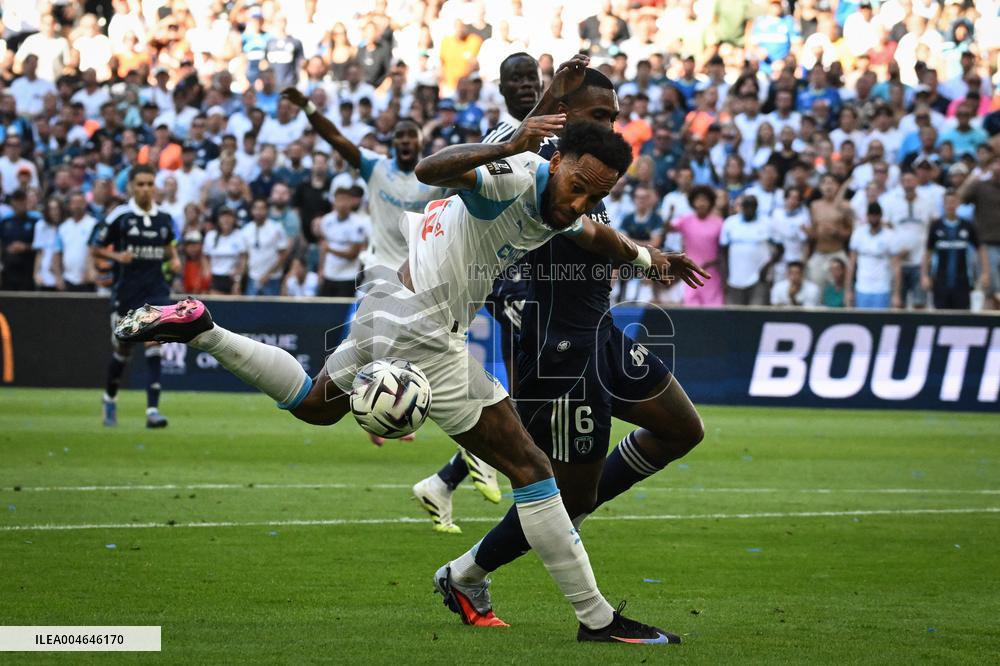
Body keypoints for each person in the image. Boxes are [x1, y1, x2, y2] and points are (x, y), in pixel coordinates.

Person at [114, 113, 699, 644]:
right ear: (556, 161)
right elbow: (430, 168)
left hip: (388, 298)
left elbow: (593, 236)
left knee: (315, 404)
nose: (581, 202)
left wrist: (652, 260)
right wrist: (512, 143)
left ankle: (204, 330)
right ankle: (596, 619)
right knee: (534, 471)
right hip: (426, 328)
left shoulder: (560, 201)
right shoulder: (514, 179)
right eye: (578, 186)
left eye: (597, 194)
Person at [433, 64, 707, 636]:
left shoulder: (591, 170)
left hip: (600, 330)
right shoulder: (536, 162)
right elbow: (468, 180)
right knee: (566, 496)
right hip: (556, 347)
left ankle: (477, 566)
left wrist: (650, 257)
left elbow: (597, 238)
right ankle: (472, 575)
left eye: (614, 114)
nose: (612, 124)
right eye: (600, 114)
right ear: (566, 112)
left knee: (682, 429)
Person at [413, 52, 544, 533]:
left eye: (532, 77)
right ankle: (473, 454)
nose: (526, 85)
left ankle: (446, 480)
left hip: (534, 275)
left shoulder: (548, 133)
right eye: (516, 79)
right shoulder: (499, 141)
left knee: (536, 385)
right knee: (534, 382)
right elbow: (449, 196)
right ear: (502, 88)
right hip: (506, 275)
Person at [89, 165, 182, 428]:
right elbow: (95, 248)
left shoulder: (164, 218)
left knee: (154, 345)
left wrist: (174, 260)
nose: (145, 189)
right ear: (131, 186)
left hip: (156, 292)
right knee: (123, 350)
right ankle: (109, 398)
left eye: (150, 184)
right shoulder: (120, 216)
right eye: (140, 184)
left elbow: (170, 247)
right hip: (126, 294)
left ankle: (152, 410)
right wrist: (117, 256)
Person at [921, 191, 989, 310]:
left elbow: (981, 250)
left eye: (953, 202)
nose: (950, 205)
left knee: (962, 316)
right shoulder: (936, 226)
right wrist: (924, 276)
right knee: (941, 317)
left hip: (963, 281)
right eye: (947, 203)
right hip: (940, 281)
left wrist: (985, 273)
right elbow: (927, 253)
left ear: (958, 204)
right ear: (943, 205)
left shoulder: (967, 225)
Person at [667, 185, 725, 307]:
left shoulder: (719, 222)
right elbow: (668, 228)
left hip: (711, 274)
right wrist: (669, 215)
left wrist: (712, 262)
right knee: (691, 310)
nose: (701, 203)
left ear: (711, 202)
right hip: (690, 273)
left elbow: (723, 250)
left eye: (705, 200)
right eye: (698, 200)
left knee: (713, 310)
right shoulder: (685, 220)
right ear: (692, 202)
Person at [720, 195, 782, 305]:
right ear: (741, 207)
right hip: (735, 279)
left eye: (752, 206)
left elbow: (780, 248)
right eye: (746, 206)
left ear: (756, 207)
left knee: (756, 313)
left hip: (759, 278)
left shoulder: (767, 223)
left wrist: (767, 267)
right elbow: (723, 251)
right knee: (735, 315)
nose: (749, 209)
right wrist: (725, 275)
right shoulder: (730, 223)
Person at [957, 156, 1000, 309]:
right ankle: (991, 326)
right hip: (986, 244)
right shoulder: (980, 186)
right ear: (991, 167)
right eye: (996, 163)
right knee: (990, 290)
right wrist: (970, 180)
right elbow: (959, 198)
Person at [846, 202, 902, 309]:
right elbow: (851, 264)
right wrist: (848, 291)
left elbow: (897, 267)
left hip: (882, 288)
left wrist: (896, 294)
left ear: (881, 216)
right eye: (871, 215)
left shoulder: (890, 236)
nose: (873, 218)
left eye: (876, 215)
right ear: (867, 216)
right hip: (862, 287)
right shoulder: (859, 234)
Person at [241, 197, 289, 296]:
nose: (259, 212)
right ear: (252, 210)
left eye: (262, 208)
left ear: (267, 210)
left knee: (272, 310)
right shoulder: (246, 230)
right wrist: (239, 279)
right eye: (256, 208)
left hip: (272, 279)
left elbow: (283, 254)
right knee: (251, 309)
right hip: (253, 277)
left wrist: (268, 274)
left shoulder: (276, 228)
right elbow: (245, 256)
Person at [203, 208, 248, 295]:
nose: (226, 220)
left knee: (234, 307)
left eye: (229, 217)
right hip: (216, 277)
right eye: (223, 217)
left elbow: (243, 259)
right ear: (218, 219)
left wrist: (238, 280)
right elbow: (205, 256)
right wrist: (207, 271)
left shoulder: (239, 235)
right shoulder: (210, 236)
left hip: (233, 277)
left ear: (234, 219)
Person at [0, 190, 39, 291]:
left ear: (27, 201)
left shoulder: (35, 221)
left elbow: (41, 246)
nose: (20, 204)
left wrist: (25, 247)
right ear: (12, 203)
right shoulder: (5, 221)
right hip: (9, 270)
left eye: (22, 200)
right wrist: (6, 249)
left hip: (28, 269)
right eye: (17, 201)